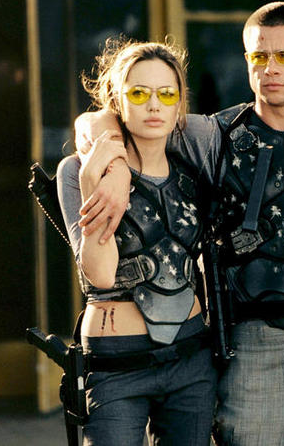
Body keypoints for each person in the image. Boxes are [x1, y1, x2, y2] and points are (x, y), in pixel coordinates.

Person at [74, 2, 284, 445]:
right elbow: (104, 115)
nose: (271, 68)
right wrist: (115, 162)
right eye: (258, 56)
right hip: (252, 346)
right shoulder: (212, 136)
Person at [57, 38, 217, 446]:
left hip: (190, 357)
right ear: (117, 99)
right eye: (139, 93)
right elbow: (100, 274)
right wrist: (99, 180)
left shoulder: (193, 167)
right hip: (117, 363)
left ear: (180, 103)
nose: (154, 106)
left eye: (167, 94)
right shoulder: (76, 170)